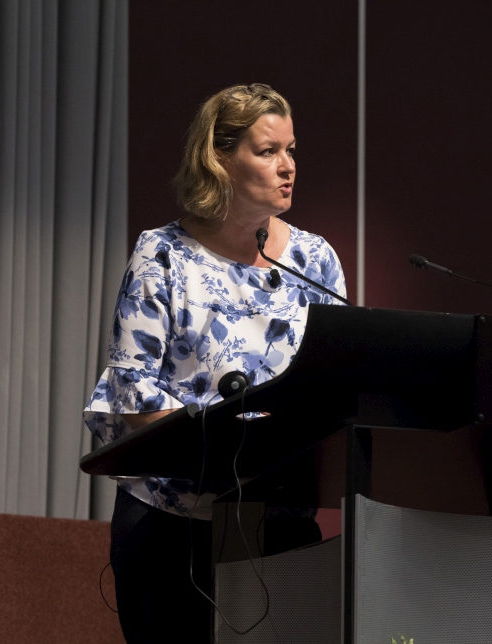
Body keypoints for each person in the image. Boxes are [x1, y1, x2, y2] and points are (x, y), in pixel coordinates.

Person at [83, 83, 347, 643]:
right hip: (172, 526)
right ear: (219, 159)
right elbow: (133, 390)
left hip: (277, 528)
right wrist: (223, 455)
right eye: (268, 150)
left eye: (292, 150)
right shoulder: (164, 255)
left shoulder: (315, 260)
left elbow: (338, 386)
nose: (287, 166)